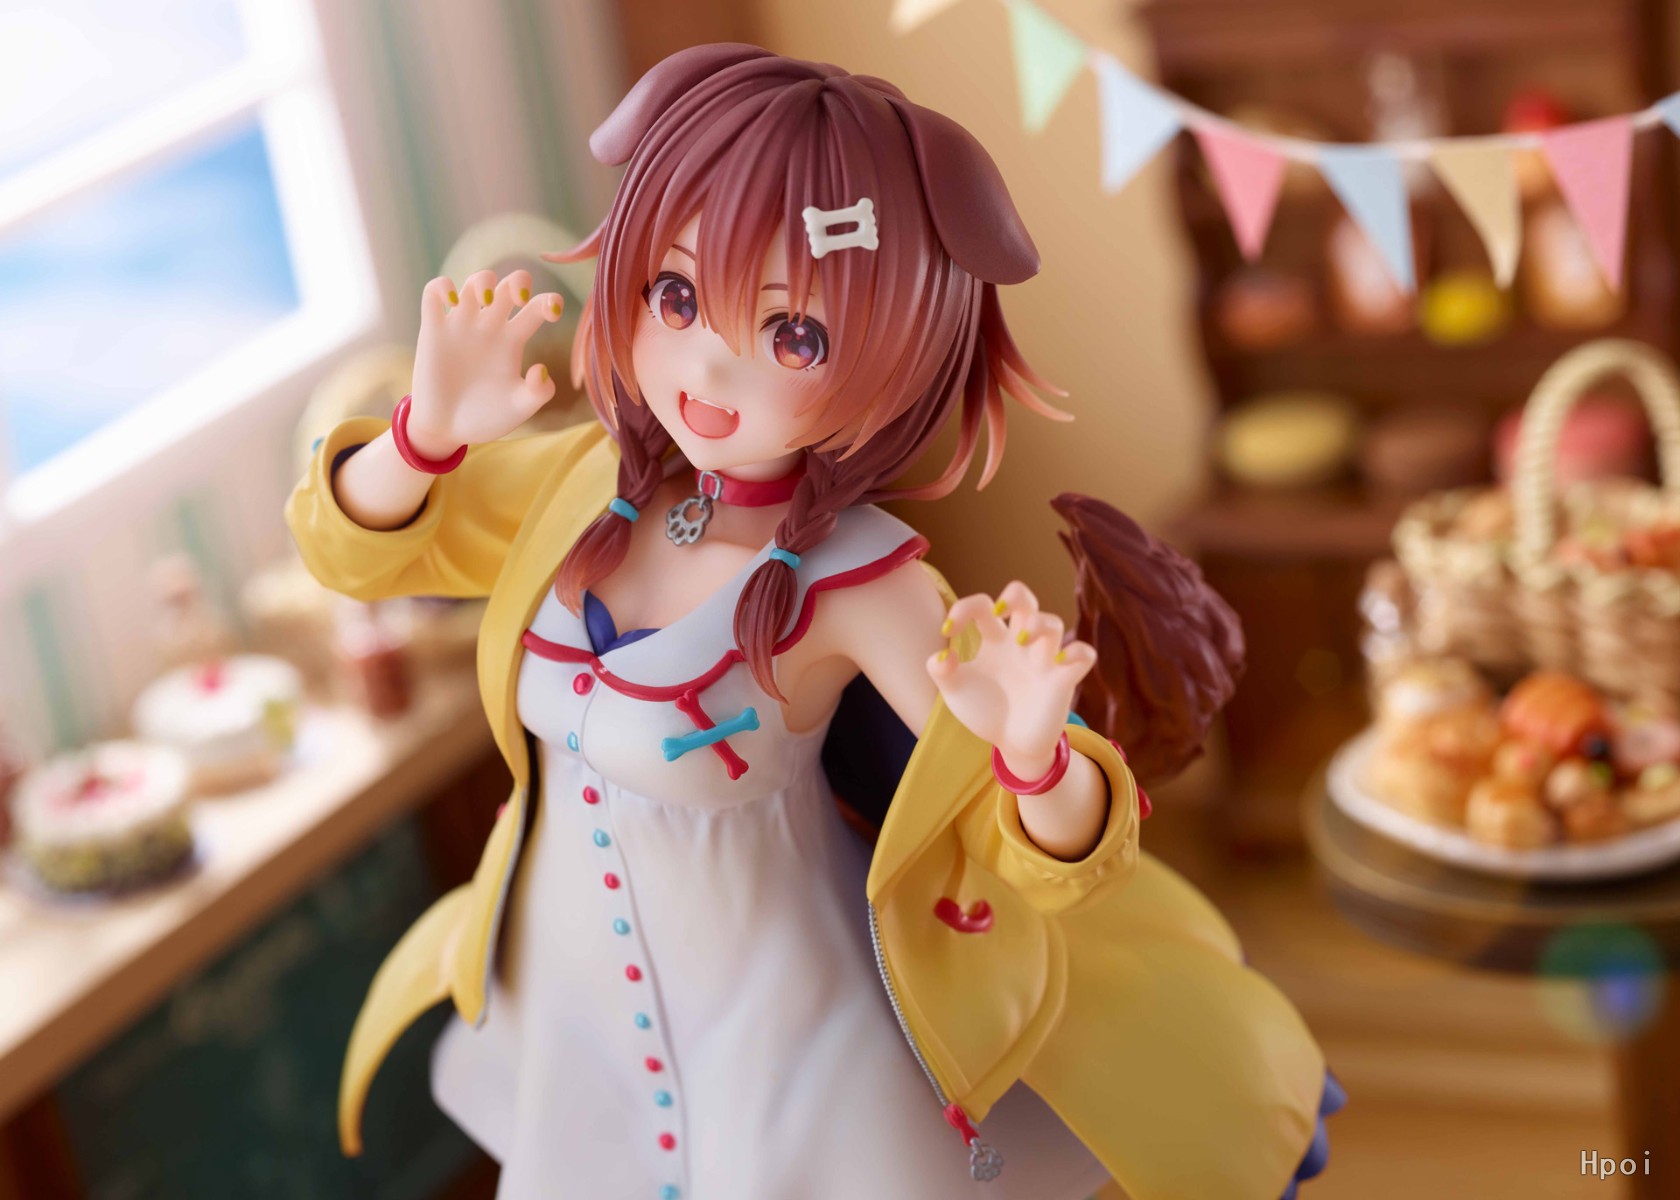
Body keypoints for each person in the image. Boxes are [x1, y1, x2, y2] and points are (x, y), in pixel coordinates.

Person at [288, 43, 1339, 1200]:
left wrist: (1037, 756)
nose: (709, 367)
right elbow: (362, 554)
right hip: (570, 1003)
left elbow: (1033, 849)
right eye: (676, 297)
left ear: (897, 354)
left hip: (784, 1041)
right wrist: (424, 435)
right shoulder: (582, 489)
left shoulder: (861, 584)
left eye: (794, 336)